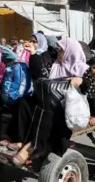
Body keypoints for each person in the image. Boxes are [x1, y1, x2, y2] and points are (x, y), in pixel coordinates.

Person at [12, 36, 88, 166]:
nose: (58, 52)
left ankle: (33, 146)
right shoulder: (54, 65)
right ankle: (21, 140)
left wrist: (82, 81)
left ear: (70, 52)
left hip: (67, 109)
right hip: (47, 102)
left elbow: (91, 89)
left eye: (61, 50)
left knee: (45, 112)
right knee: (23, 102)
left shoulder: (83, 70)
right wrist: (33, 53)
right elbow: (39, 75)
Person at [0, 46, 33, 144]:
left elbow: (25, 86)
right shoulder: (10, 66)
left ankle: (11, 138)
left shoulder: (27, 65)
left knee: (20, 103)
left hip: (20, 99)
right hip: (8, 97)